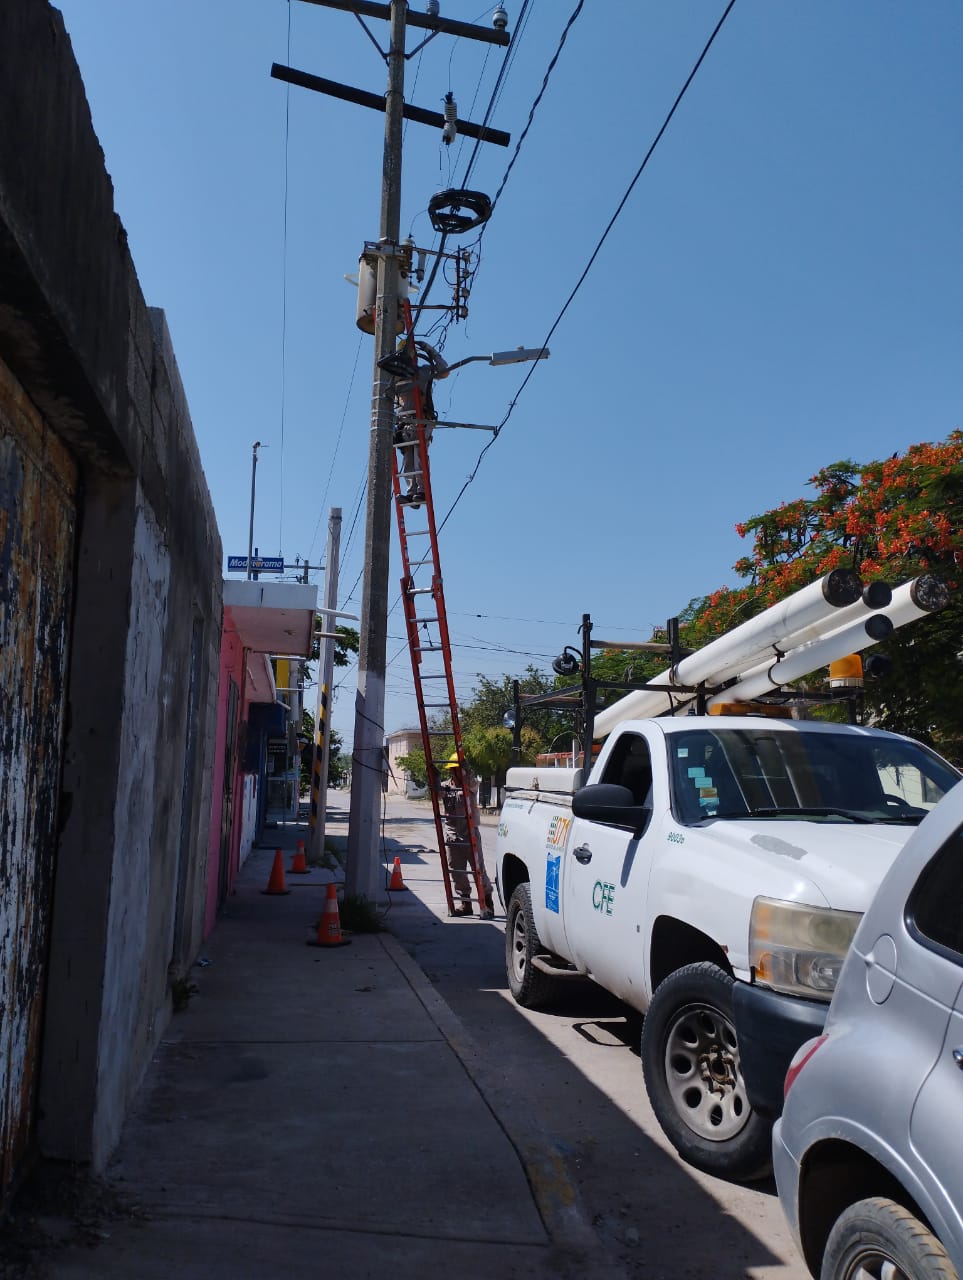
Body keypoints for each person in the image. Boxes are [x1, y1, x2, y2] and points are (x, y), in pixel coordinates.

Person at [393, 339, 449, 508]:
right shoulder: (395, 375)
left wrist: (430, 350)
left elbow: (444, 371)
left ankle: (422, 491)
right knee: (408, 458)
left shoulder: (423, 372)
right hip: (404, 423)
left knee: (419, 454)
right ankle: (412, 493)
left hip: (422, 418)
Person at [439, 754, 494, 916]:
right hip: (453, 835)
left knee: (479, 870)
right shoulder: (446, 786)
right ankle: (466, 904)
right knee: (457, 871)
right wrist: (434, 777)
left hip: (470, 834)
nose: (455, 772)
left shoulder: (471, 784)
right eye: (453, 769)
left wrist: (467, 772)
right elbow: (437, 794)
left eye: (458, 768)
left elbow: (473, 782)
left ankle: (487, 903)